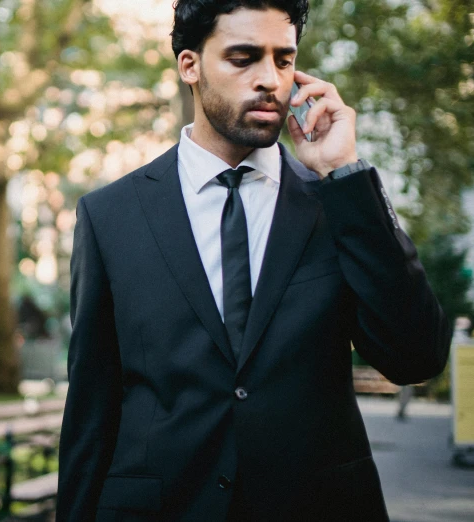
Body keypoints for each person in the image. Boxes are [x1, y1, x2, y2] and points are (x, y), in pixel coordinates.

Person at [56, 0, 452, 521]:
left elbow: (415, 357)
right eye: (243, 58)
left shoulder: (338, 202)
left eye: (283, 60)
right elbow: (92, 407)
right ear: (189, 66)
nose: (270, 79)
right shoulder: (110, 216)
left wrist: (343, 172)